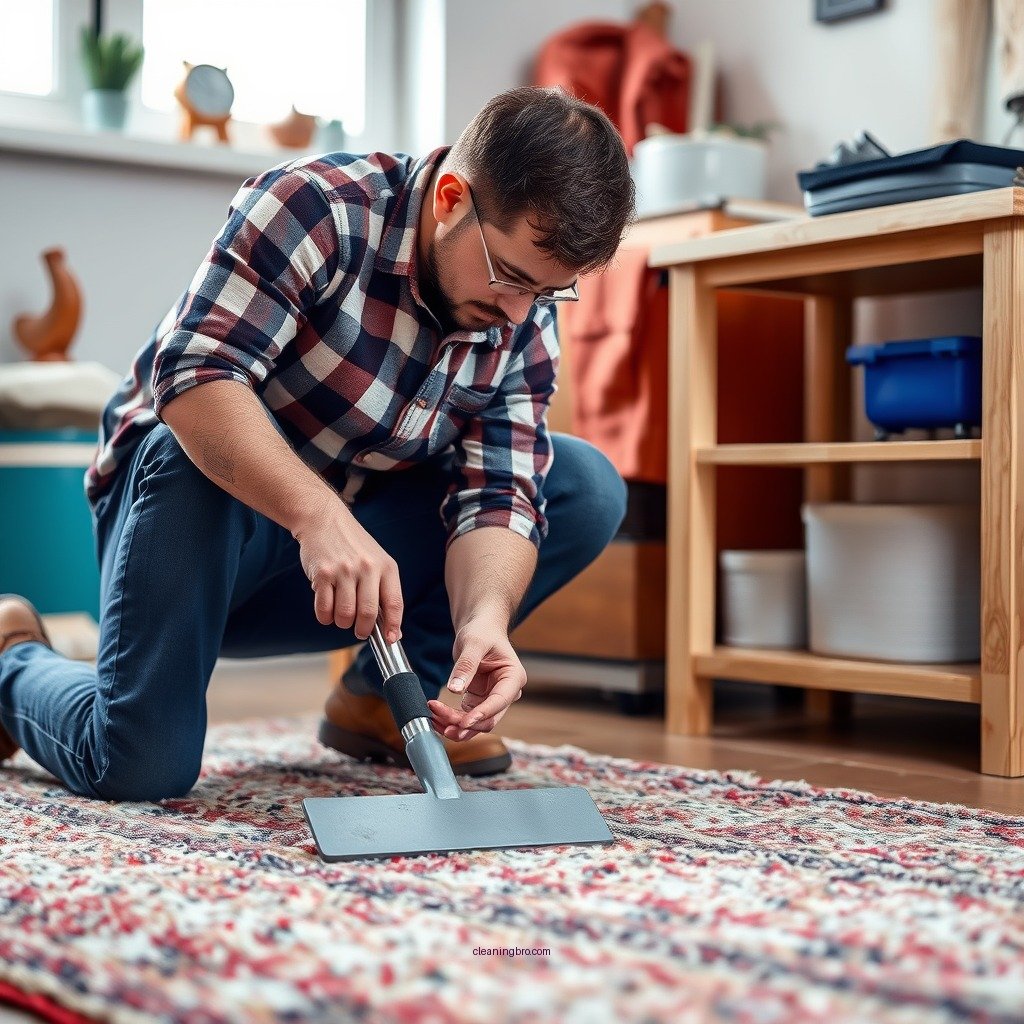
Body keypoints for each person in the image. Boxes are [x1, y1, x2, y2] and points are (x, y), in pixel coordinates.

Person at [0, 86, 634, 801]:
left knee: (581, 483)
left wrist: (485, 617)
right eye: (509, 277)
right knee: (138, 767)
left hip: (343, 567)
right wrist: (319, 516)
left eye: (547, 294)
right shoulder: (316, 207)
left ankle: (388, 703)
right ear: (452, 198)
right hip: (196, 515)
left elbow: (500, 491)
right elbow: (196, 375)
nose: (518, 313)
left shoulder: (518, 315)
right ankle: (11, 659)